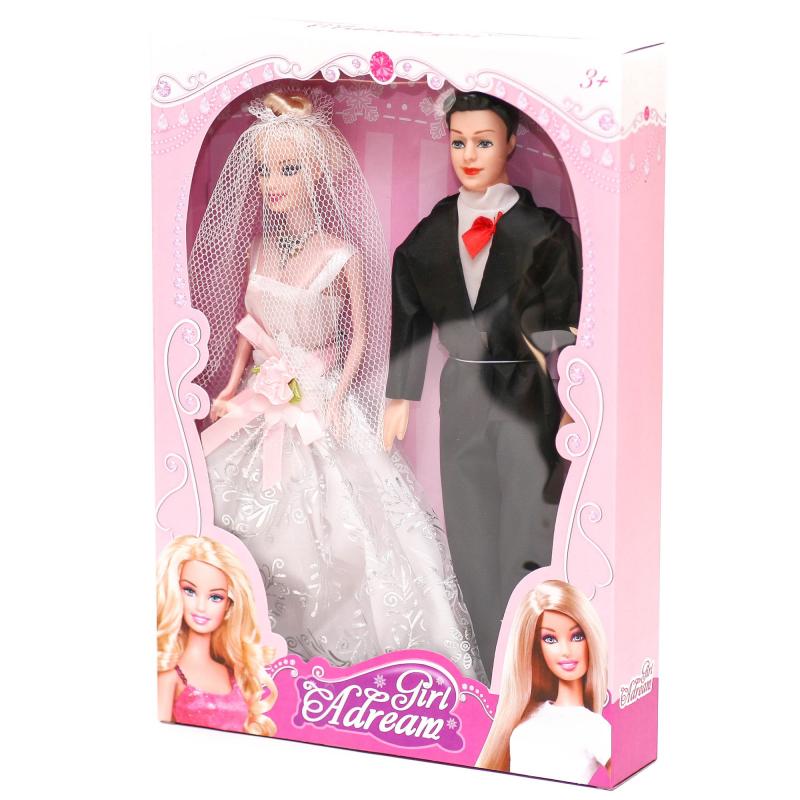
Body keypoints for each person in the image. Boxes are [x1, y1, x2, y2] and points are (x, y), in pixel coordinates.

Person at [189, 89, 485, 681]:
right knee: (218, 508)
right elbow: (249, 330)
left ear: (316, 174)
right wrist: (229, 387)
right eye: (265, 170)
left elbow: (359, 338)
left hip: (319, 400)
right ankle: (240, 653)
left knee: (346, 528)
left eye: (288, 170)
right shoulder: (258, 249)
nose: (272, 183)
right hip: (257, 401)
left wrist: (339, 394)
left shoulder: (340, 255)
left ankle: (345, 666)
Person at [384, 90, 582, 674]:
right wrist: (401, 394)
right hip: (463, 390)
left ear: (511, 144)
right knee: (468, 530)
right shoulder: (431, 233)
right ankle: (489, 663)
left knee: (527, 524)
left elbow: (566, 320)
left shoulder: (544, 232)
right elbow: (408, 307)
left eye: (484, 142)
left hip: (526, 394)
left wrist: (574, 394)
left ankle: (530, 660)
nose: (469, 155)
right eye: (459, 142)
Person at [476, 580, 610, 783]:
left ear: (591, 636)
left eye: (577, 636)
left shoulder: (594, 728)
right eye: (550, 639)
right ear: (536, 648)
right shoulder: (527, 711)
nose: (565, 651)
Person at [156, 534, 278, 736]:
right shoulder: (169, 677)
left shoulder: (234, 675)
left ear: (229, 605)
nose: (201, 607)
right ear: (175, 592)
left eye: (215, 597)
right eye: (190, 591)